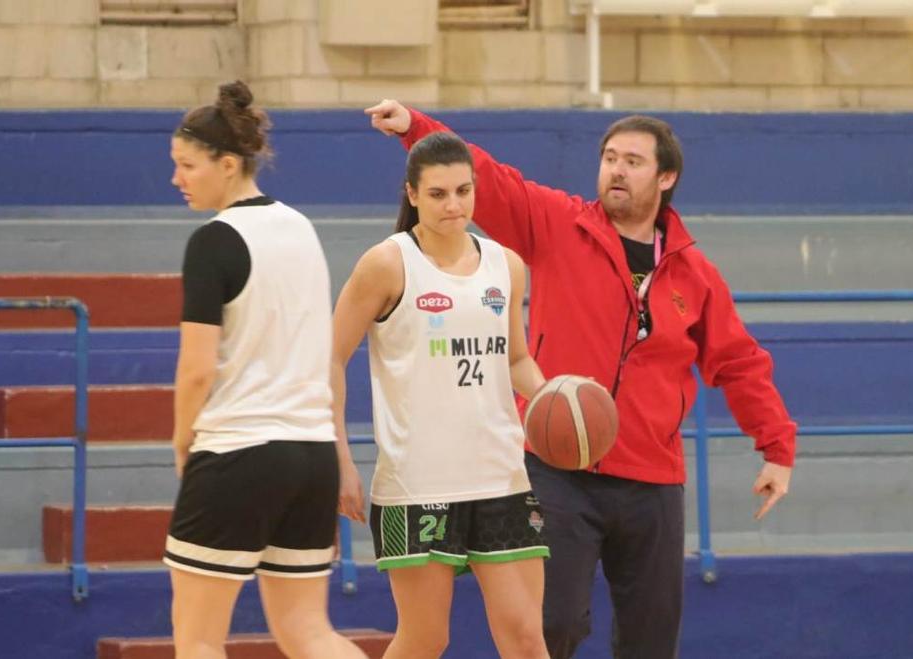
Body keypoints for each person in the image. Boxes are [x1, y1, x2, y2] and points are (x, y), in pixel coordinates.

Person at [364, 100, 798, 659]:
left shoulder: (694, 273)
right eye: (610, 158)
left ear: (666, 178)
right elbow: (491, 180)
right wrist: (415, 128)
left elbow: (738, 362)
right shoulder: (557, 223)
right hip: (557, 471)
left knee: (650, 641)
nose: (616, 169)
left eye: (634, 161)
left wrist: (776, 446)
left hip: (653, 478)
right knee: (552, 626)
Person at [164, 80, 365, 659]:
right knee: (309, 632)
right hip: (310, 454)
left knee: (198, 638)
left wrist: (184, 444)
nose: (177, 179)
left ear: (228, 165)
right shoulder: (301, 228)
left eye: (187, 165)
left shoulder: (213, 241)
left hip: (238, 449)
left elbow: (196, 369)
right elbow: (321, 351)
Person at [331, 131, 551, 659]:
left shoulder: (507, 265)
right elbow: (330, 360)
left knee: (525, 638)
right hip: (416, 483)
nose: (454, 205)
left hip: (500, 475)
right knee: (426, 640)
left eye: (463, 191)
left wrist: (555, 402)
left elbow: (515, 358)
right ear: (411, 195)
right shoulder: (386, 264)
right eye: (438, 194)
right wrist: (339, 459)